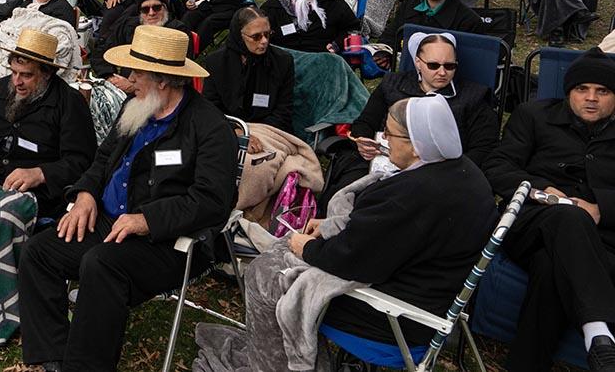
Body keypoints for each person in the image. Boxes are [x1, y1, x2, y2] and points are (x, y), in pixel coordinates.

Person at [16, 25, 236, 372]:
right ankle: (53, 356)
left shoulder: (209, 127)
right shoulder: (136, 107)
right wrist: (86, 193)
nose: (129, 79)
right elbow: (102, 160)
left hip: (165, 240)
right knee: (38, 252)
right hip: (109, 220)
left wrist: (147, 219)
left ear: (163, 79)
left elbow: (213, 201)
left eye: (137, 72)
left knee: (101, 264)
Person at [254, 97, 496, 361]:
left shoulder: (415, 194)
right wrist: (330, 225)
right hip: (431, 294)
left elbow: (353, 258)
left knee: (267, 275)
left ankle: (277, 365)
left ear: (417, 146)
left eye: (390, 133)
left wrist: (308, 247)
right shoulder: (464, 171)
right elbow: (391, 235)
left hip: (397, 320)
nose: (385, 139)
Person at [483, 47, 615, 372]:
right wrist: (539, 190)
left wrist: (601, 209)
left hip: (597, 237)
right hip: (531, 222)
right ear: (568, 91)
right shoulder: (534, 115)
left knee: (550, 266)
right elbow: (497, 166)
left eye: (603, 91)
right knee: (569, 216)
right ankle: (598, 329)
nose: (591, 98)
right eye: (582, 89)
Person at [321, 32, 498, 205]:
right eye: (434, 65)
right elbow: (365, 122)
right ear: (418, 63)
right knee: (345, 196)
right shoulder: (393, 85)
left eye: (449, 66)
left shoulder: (473, 97)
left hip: (440, 176)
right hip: (383, 161)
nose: (442, 72)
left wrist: (445, 171)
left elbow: (483, 148)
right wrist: (362, 141)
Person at [0, 28, 96, 219]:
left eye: (27, 75)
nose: (17, 81)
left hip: (32, 194)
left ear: (47, 73)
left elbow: (81, 162)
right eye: (14, 72)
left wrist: (40, 173)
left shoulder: (69, 103)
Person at [201, 6, 294, 135]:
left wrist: (257, 134)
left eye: (267, 34)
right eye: (256, 37)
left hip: (270, 131)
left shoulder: (282, 61)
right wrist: (237, 132)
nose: (264, 41)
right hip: (228, 130)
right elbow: (211, 108)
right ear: (239, 36)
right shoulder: (216, 62)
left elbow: (283, 110)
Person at [89, 0, 193, 94]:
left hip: (162, 93)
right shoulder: (129, 26)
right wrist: (110, 77)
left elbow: (179, 74)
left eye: (156, 7)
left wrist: (135, 86)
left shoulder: (178, 32)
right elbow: (101, 50)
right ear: (140, 12)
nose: (151, 13)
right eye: (145, 9)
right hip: (124, 89)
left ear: (165, 8)